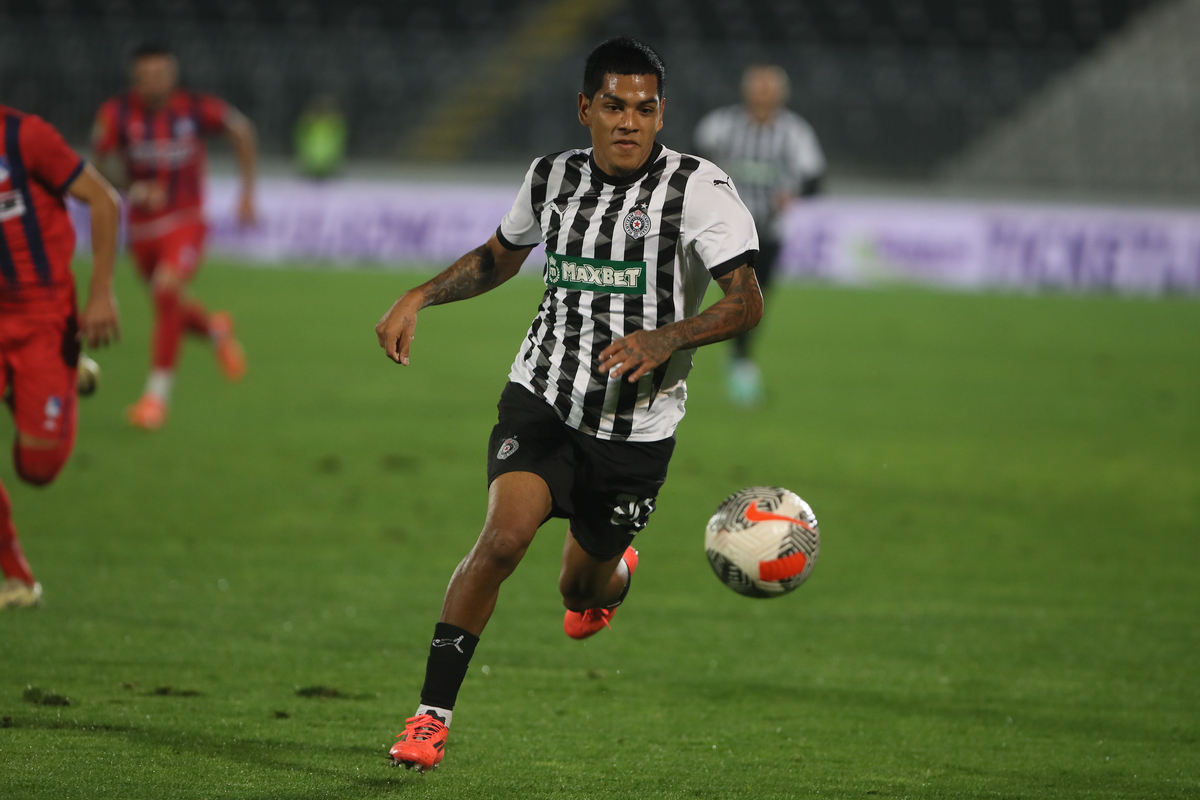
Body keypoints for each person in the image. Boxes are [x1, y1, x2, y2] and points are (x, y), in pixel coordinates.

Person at [374, 37, 763, 773]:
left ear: (661, 113)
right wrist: (420, 294)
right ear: (585, 108)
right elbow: (500, 255)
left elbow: (746, 302)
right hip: (544, 397)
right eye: (613, 106)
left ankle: (611, 581)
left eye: (644, 109)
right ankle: (430, 717)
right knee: (502, 540)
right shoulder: (551, 177)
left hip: (635, 430)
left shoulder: (698, 190)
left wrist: (667, 337)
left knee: (579, 586)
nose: (629, 122)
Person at [93, 43, 256, 430]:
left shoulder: (195, 107)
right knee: (170, 307)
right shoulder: (115, 113)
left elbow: (242, 129)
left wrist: (247, 193)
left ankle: (155, 399)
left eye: (162, 73)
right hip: (141, 229)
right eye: (147, 75)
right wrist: (133, 188)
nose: (155, 82)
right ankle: (215, 331)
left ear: (173, 74)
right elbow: (101, 164)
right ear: (136, 78)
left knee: (166, 294)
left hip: (186, 220)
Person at [0, 105, 121, 609]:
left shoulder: (22, 136)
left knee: (37, 468)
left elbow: (103, 199)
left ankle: (62, 378)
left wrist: (100, 293)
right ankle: (17, 578)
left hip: (42, 317)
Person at [694, 64, 825, 407]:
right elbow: (693, 164)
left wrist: (793, 193)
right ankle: (668, 352)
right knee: (686, 289)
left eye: (770, 93)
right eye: (759, 92)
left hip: (766, 233)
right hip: (718, 228)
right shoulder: (720, 126)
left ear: (782, 96)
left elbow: (815, 179)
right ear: (747, 93)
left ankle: (739, 362)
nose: (764, 99)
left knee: (751, 301)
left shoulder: (794, 133)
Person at [294, 95, 347, 179]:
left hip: (329, 166)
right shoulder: (308, 124)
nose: (323, 110)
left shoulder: (335, 125)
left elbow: (339, 143)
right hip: (310, 166)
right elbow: (300, 141)